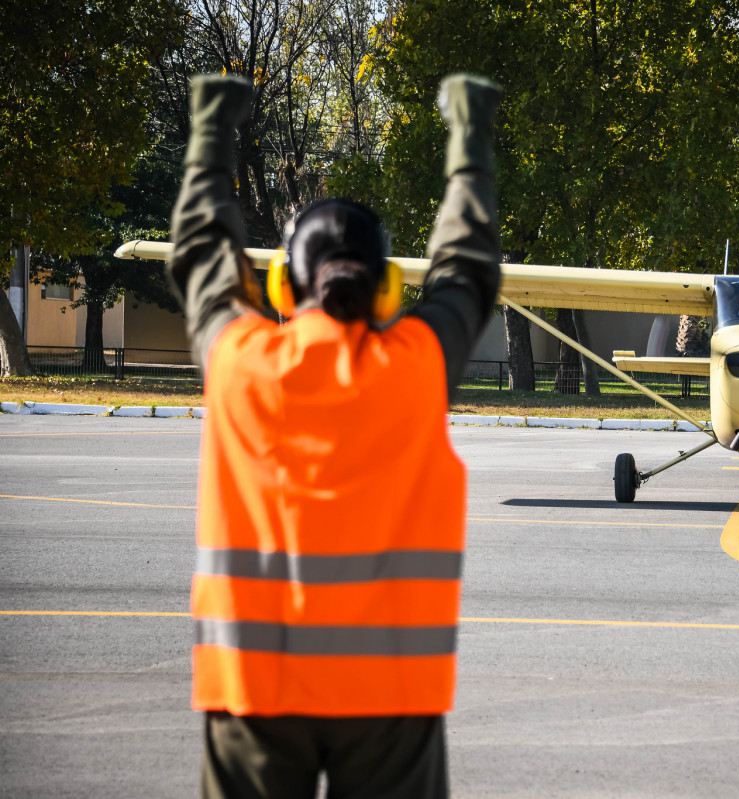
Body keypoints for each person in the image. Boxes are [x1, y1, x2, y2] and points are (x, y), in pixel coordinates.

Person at [166, 71, 502, 798]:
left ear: (284, 288)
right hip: (392, 695)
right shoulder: (417, 367)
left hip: (252, 689)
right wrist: (468, 136)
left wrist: (212, 127)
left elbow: (199, 256)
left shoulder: (238, 360)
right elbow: (467, 272)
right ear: (385, 290)